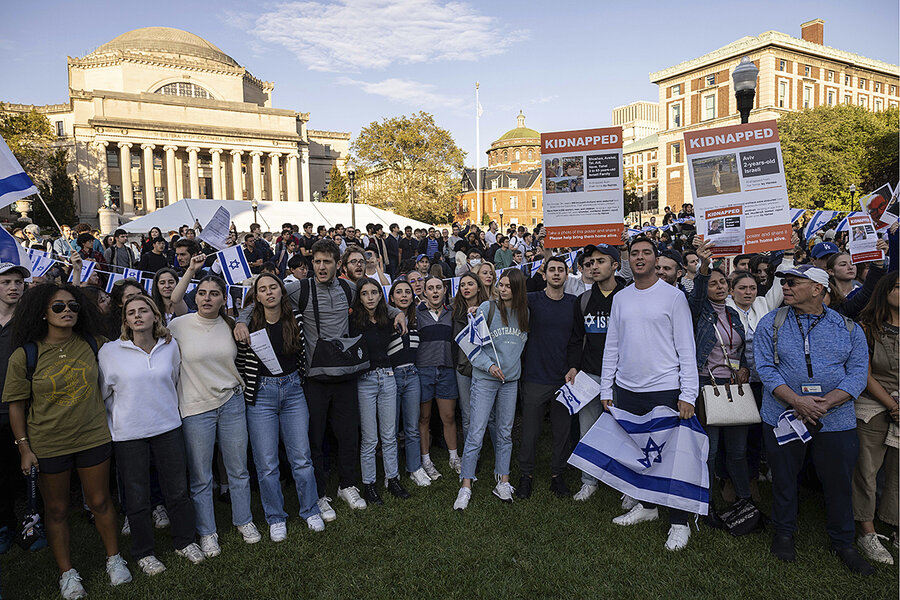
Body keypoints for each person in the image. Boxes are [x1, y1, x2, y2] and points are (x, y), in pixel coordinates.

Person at [234, 239, 405, 519]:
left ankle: (347, 485)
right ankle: (321, 492)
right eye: (317, 261)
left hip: (346, 375)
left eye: (327, 261)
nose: (322, 267)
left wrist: (397, 314)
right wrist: (241, 320)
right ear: (311, 264)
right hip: (313, 379)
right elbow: (263, 300)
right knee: (315, 439)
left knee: (348, 435)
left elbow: (377, 301)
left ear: (338, 264)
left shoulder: (349, 288)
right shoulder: (299, 288)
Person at [4, 282, 133, 599]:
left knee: (101, 501)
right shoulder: (26, 355)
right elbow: (16, 404)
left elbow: (130, 348)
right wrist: (24, 447)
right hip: (48, 444)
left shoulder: (94, 344)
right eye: (58, 306)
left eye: (73, 306)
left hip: (92, 437)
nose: (67, 311)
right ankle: (67, 574)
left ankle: (114, 559)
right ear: (42, 313)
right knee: (57, 510)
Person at [754, 264, 873, 574]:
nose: (787, 287)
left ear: (818, 289)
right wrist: (797, 401)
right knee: (784, 478)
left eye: (794, 282)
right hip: (784, 415)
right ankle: (783, 533)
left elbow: (859, 371)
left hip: (836, 420)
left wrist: (829, 401)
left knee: (838, 482)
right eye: (785, 282)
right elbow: (765, 368)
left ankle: (843, 541)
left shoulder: (847, 327)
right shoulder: (771, 323)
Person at [599, 235, 699, 551]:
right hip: (627, 389)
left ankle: (679, 522)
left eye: (647, 253)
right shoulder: (621, 298)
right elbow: (611, 345)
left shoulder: (673, 297)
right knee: (638, 452)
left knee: (672, 458)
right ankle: (647, 506)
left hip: (665, 389)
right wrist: (606, 387)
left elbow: (686, 347)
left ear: (656, 260)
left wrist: (689, 393)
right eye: (635, 253)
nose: (640, 257)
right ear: (628, 260)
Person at [99, 295, 205, 575]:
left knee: (178, 491)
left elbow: (173, 380)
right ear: (125, 321)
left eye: (143, 310)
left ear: (155, 316)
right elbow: (104, 393)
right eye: (131, 312)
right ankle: (144, 552)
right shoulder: (110, 352)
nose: (137, 316)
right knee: (136, 498)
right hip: (128, 435)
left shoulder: (169, 347)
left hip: (167, 428)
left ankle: (185, 541)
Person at [168, 276, 260, 558]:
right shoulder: (178, 326)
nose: (207, 298)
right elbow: (173, 301)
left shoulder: (231, 325)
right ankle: (207, 532)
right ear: (195, 298)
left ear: (223, 299)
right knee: (201, 476)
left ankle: (244, 520)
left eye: (214, 294)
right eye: (202, 293)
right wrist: (190, 270)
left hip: (231, 403)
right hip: (196, 408)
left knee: (238, 469)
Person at [235, 273, 324, 541]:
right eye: (263, 289)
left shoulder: (294, 317)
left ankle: (310, 510)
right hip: (261, 394)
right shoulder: (248, 321)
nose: (269, 292)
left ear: (281, 291)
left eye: (273, 287)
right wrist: (241, 318)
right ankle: (275, 516)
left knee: (301, 458)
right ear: (257, 295)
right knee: (267, 463)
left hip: (293, 390)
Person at [454, 269, 529, 510]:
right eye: (501, 284)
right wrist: (489, 366)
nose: (503, 289)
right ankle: (466, 484)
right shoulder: (487, 308)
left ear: (517, 289)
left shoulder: (524, 312)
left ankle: (503, 480)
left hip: (510, 381)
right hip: (485, 379)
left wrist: (510, 369)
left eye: (508, 286)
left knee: (505, 432)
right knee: (476, 431)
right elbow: (472, 346)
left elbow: (520, 346)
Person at [688, 241, 752, 526]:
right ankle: (705, 502)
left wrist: (745, 369)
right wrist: (704, 267)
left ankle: (744, 501)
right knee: (710, 451)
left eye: (723, 282)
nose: (719, 287)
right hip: (707, 386)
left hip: (734, 388)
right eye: (713, 283)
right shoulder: (700, 312)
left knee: (737, 451)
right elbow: (698, 293)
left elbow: (741, 351)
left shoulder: (734, 314)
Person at [565, 244, 624, 501]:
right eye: (590, 263)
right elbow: (577, 338)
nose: (594, 266)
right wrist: (573, 366)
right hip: (590, 374)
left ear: (615, 265)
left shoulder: (629, 295)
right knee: (587, 429)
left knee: (624, 431)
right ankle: (588, 480)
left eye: (601, 261)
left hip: (623, 377)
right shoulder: (584, 299)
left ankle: (625, 484)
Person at [516, 256, 575, 499]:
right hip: (534, 376)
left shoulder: (574, 303)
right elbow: (504, 302)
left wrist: (573, 366)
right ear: (544, 274)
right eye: (552, 270)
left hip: (563, 379)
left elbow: (577, 340)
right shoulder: (532, 300)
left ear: (567, 274)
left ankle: (557, 475)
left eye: (561, 270)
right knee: (530, 431)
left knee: (562, 431)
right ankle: (525, 475)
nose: (557, 274)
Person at [351, 278, 411, 505]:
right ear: (359, 297)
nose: (370, 297)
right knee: (370, 437)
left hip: (387, 377)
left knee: (389, 434)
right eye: (365, 293)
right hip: (365, 379)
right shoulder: (353, 320)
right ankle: (369, 484)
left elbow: (398, 312)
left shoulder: (387, 317)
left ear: (380, 294)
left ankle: (392, 478)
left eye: (374, 292)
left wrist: (400, 315)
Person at [852, 271, 898, 564]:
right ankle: (866, 531)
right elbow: (864, 375)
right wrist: (892, 406)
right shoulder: (867, 328)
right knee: (866, 471)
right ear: (885, 292)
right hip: (873, 408)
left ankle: (894, 525)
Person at [0, 263, 44, 555]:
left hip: (25, 409)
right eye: (6, 282)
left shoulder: (29, 323)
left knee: (33, 470)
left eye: (18, 282)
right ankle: (5, 526)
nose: (14, 287)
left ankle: (34, 523)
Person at [387, 279, 431, 487]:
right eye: (399, 292)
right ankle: (392, 473)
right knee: (392, 428)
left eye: (407, 292)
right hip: (392, 376)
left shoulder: (416, 318)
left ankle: (414, 467)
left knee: (412, 426)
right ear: (392, 297)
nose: (403, 295)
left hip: (413, 374)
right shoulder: (386, 318)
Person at [416, 276, 460, 479]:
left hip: (446, 369)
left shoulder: (452, 313)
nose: (434, 292)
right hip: (423, 370)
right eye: (430, 288)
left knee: (448, 417)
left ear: (444, 290)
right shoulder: (417, 313)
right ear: (424, 291)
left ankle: (454, 456)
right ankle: (425, 459)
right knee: (423, 418)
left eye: (438, 288)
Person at [451, 272, 491, 442]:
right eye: (462, 285)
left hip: (485, 366)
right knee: (467, 414)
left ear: (478, 287)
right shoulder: (454, 310)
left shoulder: (490, 308)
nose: (466, 288)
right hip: (462, 366)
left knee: (490, 413)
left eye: (470, 284)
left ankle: (495, 451)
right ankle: (472, 455)